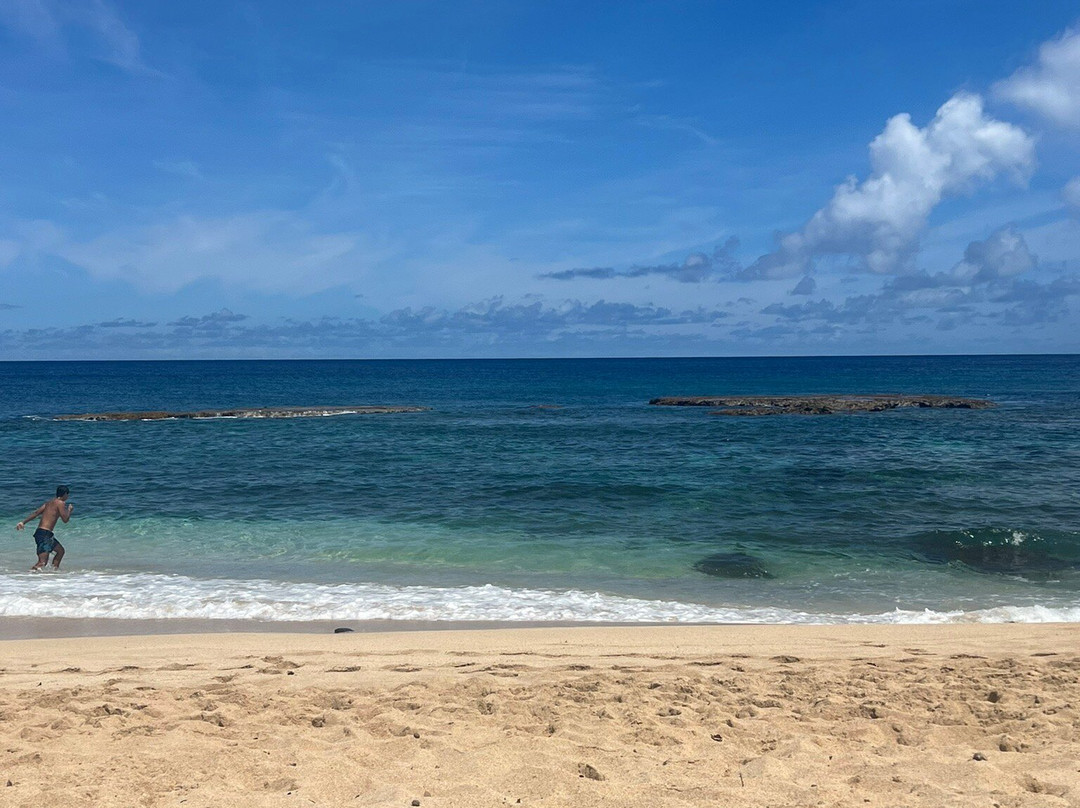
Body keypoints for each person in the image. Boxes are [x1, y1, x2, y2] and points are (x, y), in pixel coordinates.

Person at [15, 486, 73, 571]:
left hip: (43, 533)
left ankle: (54, 572)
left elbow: (36, 513)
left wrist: (23, 522)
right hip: (44, 534)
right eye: (67, 495)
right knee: (42, 563)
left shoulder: (48, 503)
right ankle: (27, 577)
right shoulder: (60, 503)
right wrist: (69, 510)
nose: (67, 497)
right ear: (65, 494)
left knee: (60, 551)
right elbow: (65, 519)